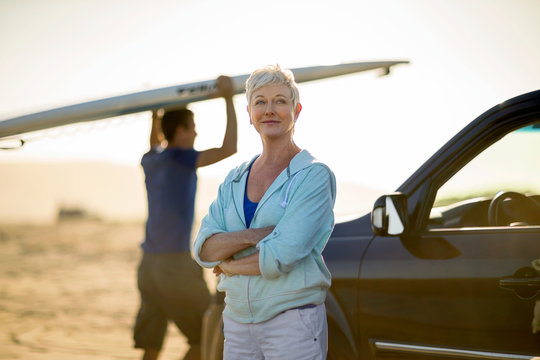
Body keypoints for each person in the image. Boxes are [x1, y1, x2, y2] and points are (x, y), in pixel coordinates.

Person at [192, 65, 336, 359]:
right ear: (249, 113)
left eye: (280, 101)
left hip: (292, 322)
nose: (269, 110)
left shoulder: (313, 176)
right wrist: (256, 235)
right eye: (260, 102)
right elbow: (203, 250)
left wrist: (228, 265)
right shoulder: (234, 179)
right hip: (236, 322)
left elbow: (281, 255)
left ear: (296, 110)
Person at [134, 76, 237, 360]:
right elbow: (229, 149)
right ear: (180, 132)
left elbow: (156, 142)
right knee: (207, 333)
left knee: (151, 344)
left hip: (148, 268)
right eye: (192, 129)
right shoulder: (183, 159)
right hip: (175, 267)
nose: (195, 135)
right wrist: (229, 98)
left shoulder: (150, 160)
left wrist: (155, 114)